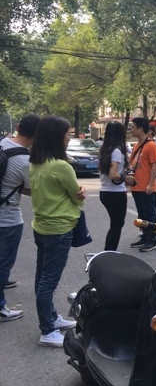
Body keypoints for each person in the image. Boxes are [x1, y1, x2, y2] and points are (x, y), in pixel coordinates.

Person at [30, 116, 84, 347]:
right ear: (56, 137)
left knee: (42, 278)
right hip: (59, 229)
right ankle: (47, 330)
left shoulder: (36, 163)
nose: (69, 137)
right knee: (48, 282)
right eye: (67, 134)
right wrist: (80, 194)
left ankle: (51, 317)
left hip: (42, 227)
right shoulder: (61, 166)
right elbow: (76, 196)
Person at [0, 114, 40, 322]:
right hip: (7, 218)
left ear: (17, 127)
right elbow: (31, 190)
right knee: (3, 263)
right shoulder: (25, 161)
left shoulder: (2, 144)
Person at [98, 121, 132, 251]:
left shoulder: (105, 149)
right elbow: (113, 175)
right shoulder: (117, 151)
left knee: (115, 225)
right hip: (115, 193)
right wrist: (126, 178)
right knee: (117, 225)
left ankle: (108, 252)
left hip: (105, 192)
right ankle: (110, 253)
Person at [128, 117, 156, 252]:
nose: (131, 130)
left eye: (133, 127)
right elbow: (132, 165)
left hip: (146, 186)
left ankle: (152, 240)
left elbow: (155, 166)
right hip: (136, 186)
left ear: (141, 129)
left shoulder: (151, 145)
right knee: (141, 214)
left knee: (149, 214)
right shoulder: (136, 146)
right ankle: (145, 237)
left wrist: (150, 184)